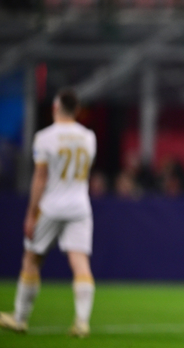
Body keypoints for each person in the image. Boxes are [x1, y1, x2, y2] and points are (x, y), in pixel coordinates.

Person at [0, 89, 96, 338]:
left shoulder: (45, 137)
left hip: (52, 205)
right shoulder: (89, 137)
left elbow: (40, 178)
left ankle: (20, 318)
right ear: (76, 110)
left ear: (55, 108)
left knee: (32, 259)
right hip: (80, 206)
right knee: (80, 262)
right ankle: (82, 322)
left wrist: (31, 213)